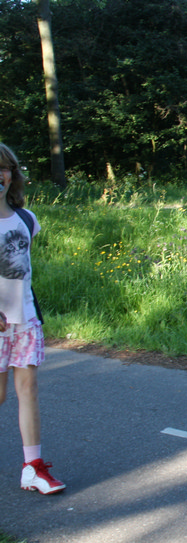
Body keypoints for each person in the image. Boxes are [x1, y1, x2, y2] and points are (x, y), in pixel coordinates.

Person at [0, 143, 64, 495]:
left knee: (28, 390)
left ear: (12, 175)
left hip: (24, 320)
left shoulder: (26, 219)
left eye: (3, 168)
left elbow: (20, 272)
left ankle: (33, 468)